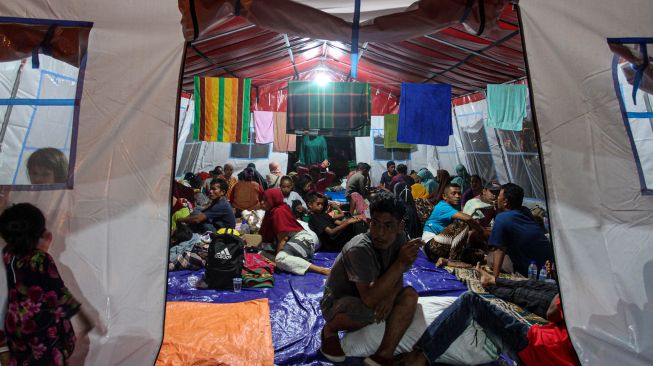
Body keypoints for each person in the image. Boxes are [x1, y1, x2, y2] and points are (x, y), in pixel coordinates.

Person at [319, 191, 421, 365]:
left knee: (410, 295)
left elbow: (398, 277)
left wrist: (390, 297)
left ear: (400, 227)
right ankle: (329, 329)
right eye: (375, 224)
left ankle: (384, 355)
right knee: (370, 311)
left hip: (373, 290)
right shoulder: (359, 248)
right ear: (369, 221)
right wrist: (400, 264)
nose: (380, 233)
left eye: (388, 226)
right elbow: (368, 299)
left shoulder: (400, 238)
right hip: (339, 301)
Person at [399, 290, 579, 366]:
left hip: (537, 348)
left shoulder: (584, 295)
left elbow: (552, 313)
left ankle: (421, 356)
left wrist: (565, 284)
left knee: (470, 300)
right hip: (552, 356)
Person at [0, 203, 81, 365]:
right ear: (39, 233)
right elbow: (59, 294)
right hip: (40, 329)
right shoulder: (41, 259)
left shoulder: (8, 253)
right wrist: (84, 318)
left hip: (16, 327)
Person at [259, 189, 330, 276]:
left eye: (266, 200)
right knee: (261, 254)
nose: (262, 202)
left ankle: (321, 270)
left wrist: (278, 261)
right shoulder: (272, 211)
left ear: (273, 199)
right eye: (262, 199)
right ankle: (290, 261)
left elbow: (283, 238)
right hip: (293, 241)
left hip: (302, 240)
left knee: (280, 259)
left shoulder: (278, 212)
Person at [490, 183, 555, 278]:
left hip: (531, 270)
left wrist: (493, 278)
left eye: (499, 196)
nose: (497, 199)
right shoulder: (526, 211)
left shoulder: (501, 218)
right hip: (549, 266)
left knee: (490, 258)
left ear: (505, 202)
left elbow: (499, 249)